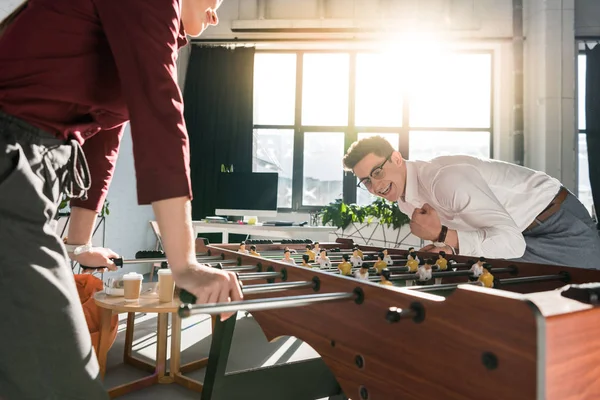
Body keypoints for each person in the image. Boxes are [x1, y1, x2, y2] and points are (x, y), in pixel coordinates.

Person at [0, 1, 243, 399]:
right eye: (214, 1)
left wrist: (78, 242)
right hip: (11, 170)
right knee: (66, 383)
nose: (215, 14)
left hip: (25, 178)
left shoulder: (137, 28)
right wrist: (185, 266)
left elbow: (105, 137)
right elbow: (161, 115)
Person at [342, 135, 600, 269]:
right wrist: (447, 249)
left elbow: (511, 244)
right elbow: (481, 236)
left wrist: (443, 234)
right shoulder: (405, 202)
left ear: (397, 158)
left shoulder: (444, 180)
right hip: (518, 236)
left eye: (377, 172)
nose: (375, 186)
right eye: (365, 181)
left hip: (556, 221)